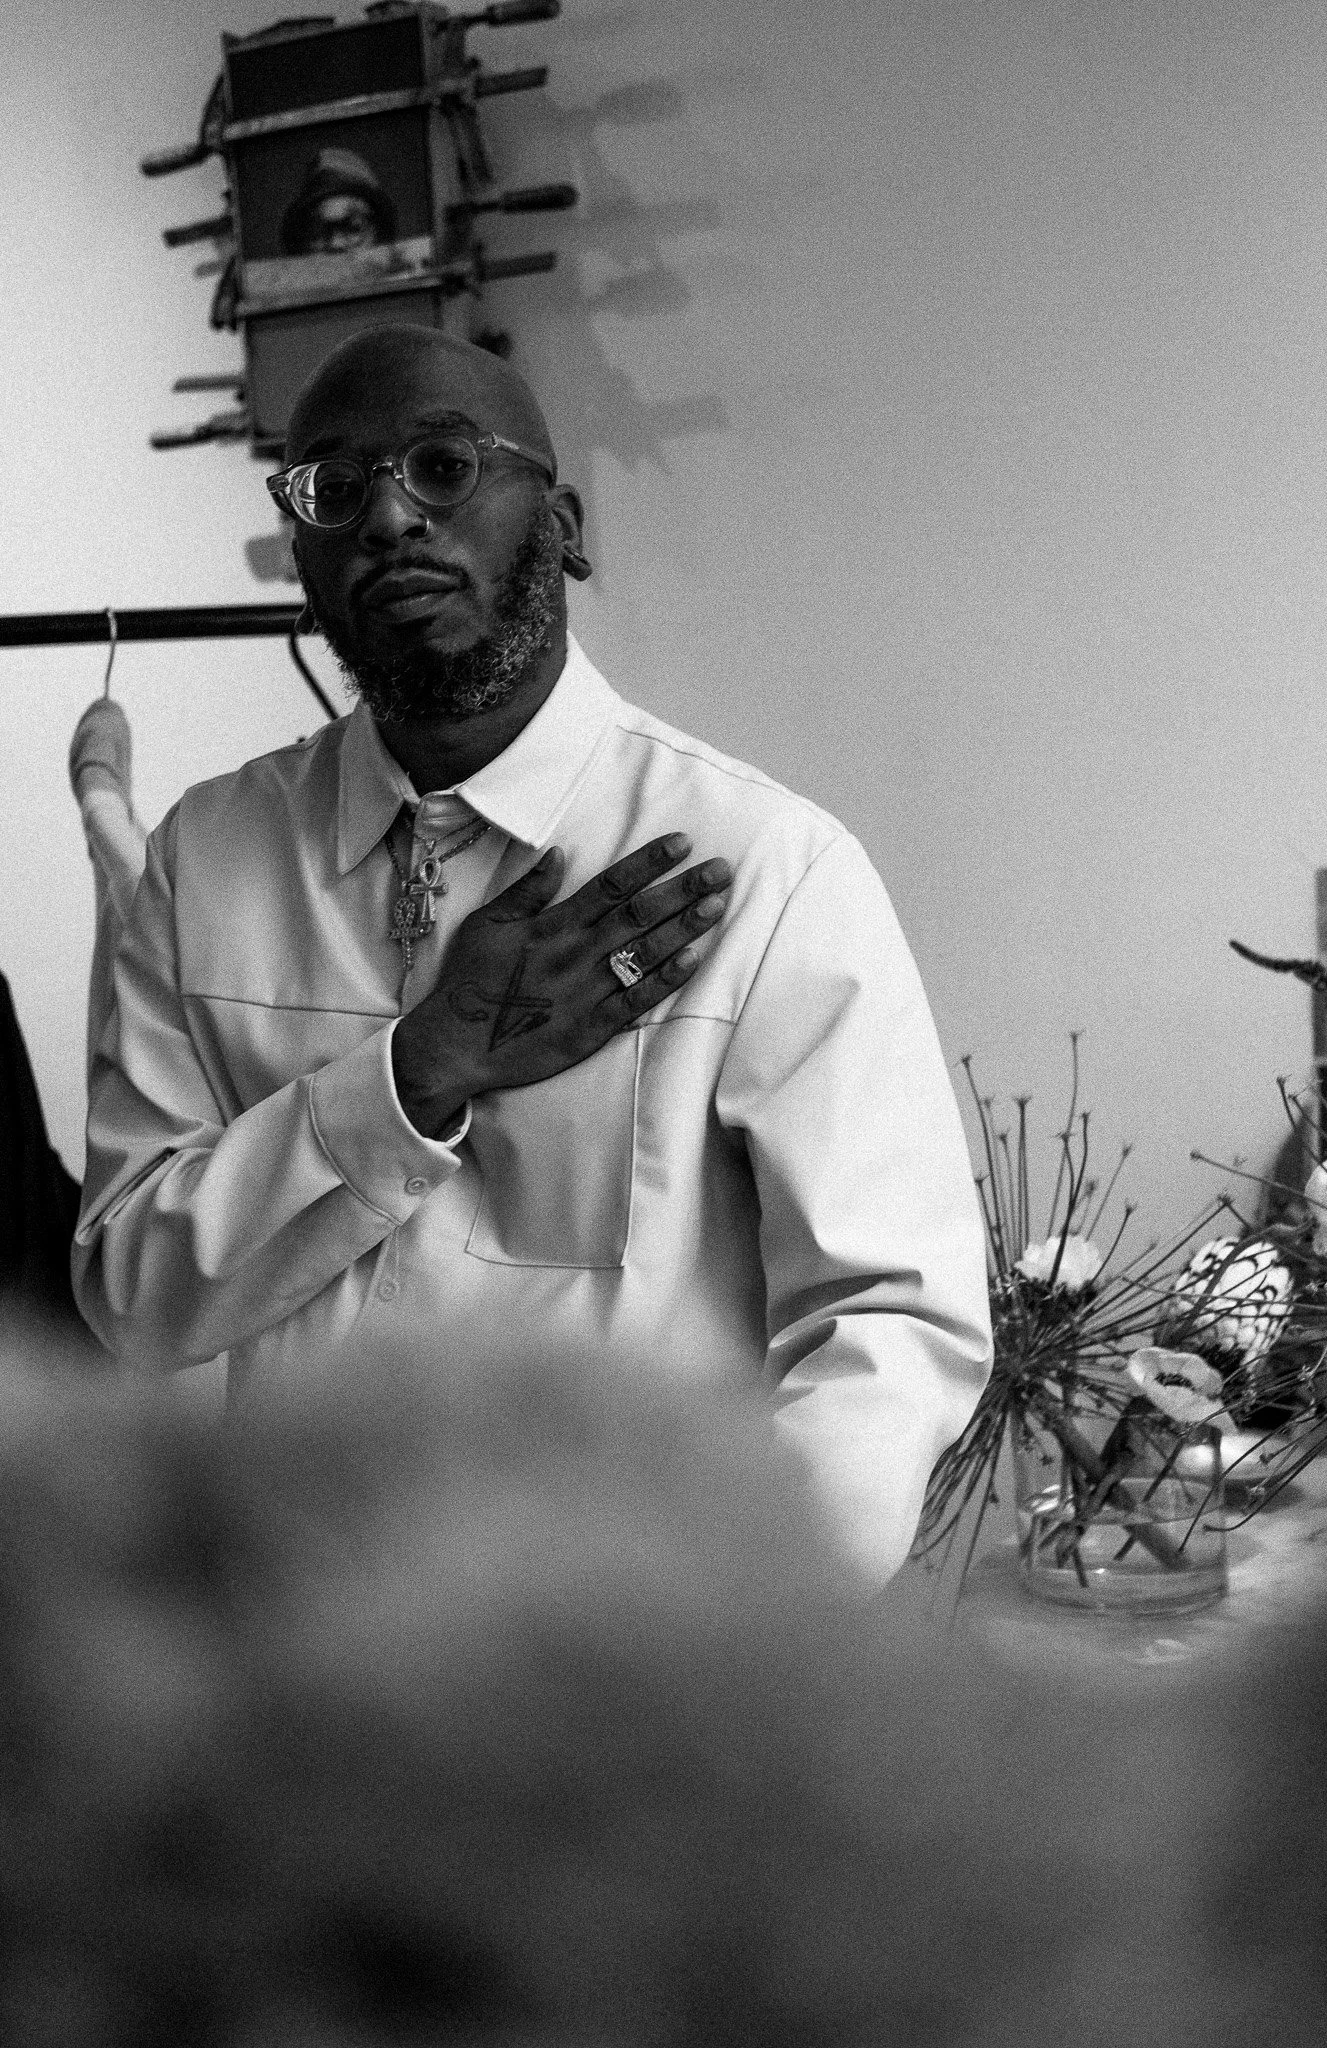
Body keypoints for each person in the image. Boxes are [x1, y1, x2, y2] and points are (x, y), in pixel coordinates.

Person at [73, 324, 991, 1582]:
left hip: (624, 1665)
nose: (391, 516)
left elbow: (891, 1320)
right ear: (302, 552)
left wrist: (744, 1630)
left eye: (443, 467)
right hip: (298, 1645)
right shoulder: (203, 860)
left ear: (556, 519)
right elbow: (133, 1293)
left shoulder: (763, 866)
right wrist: (412, 1079)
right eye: (337, 489)